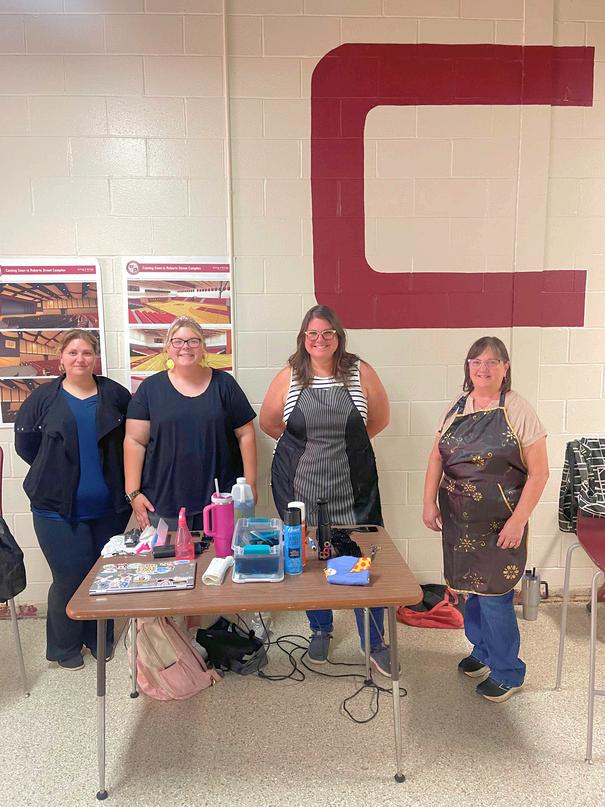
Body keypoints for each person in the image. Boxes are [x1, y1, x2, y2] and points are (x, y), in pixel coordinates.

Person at [260, 305, 393, 675]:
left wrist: (343, 448)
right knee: (307, 559)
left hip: (352, 485)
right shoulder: (289, 375)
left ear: (338, 336)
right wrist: (309, 450)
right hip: (299, 484)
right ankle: (320, 628)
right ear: (304, 338)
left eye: (327, 333)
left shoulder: (360, 372)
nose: (320, 340)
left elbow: (379, 420)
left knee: (359, 560)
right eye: (313, 334)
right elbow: (270, 424)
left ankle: (374, 641)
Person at [422, 336, 549, 702]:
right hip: (458, 523)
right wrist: (428, 502)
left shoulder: (518, 409)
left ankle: (508, 671)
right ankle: (482, 651)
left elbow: (539, 472)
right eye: (476, 361)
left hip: (500, 524)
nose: (483, 368)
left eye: (492, 361)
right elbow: (436, 457)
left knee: (494, 598)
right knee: (468, 594)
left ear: (505, 368)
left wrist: (518, 521)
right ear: (468, 367)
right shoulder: (457, 406)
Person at [15, 330, 131, 670]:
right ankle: (64, 647)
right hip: (55, 510)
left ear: (95, 358)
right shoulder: (43, 399)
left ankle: (99, 640)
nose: (80, 358)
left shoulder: (115, 395)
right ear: (62, 358)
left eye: (87, 352)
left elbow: (134, 440)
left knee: (102, 576)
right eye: (73, 352)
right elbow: (27, 447)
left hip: (109, 510)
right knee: (69, 577)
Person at [124, 316, 256, 532]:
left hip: (221, 501)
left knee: (223, 554)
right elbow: (134, 441)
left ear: (203, 347)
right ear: (168, 348)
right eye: (177, 341)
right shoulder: (150, 389)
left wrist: (250, 485)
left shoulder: (224, 384)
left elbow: (246, 434)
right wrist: (133, 493)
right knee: (168, 555)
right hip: (163, 503)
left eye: (193, 341)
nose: (185, 347)